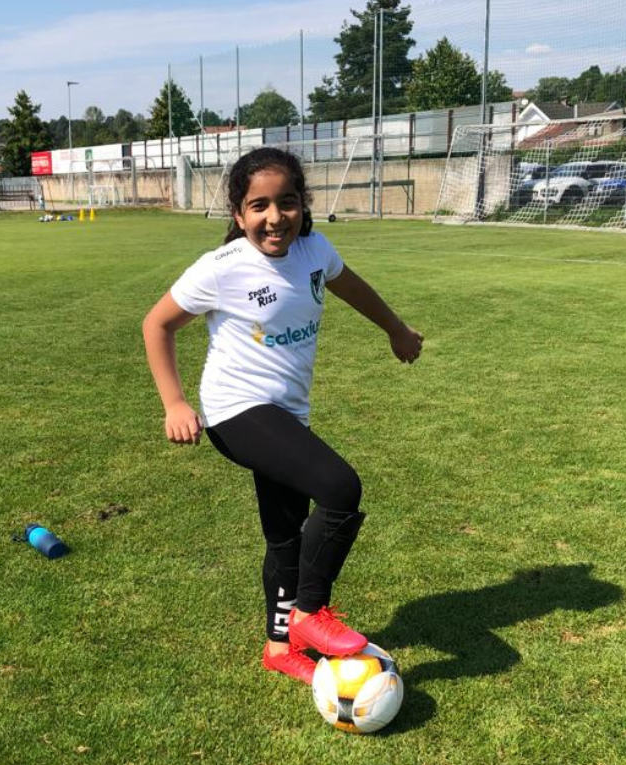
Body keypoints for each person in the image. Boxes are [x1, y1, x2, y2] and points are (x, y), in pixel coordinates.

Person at [142, 147, 423, 685]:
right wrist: (174, 403)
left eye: (287, 202)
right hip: (235, 411)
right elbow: (157, 324)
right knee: (339, 487)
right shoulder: (221, 268)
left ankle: (279, 646)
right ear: (238, 213)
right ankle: (309, 613)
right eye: (259, 206)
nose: (275, 217)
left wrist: (396, 330)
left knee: (285, 533)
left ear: (302, 205)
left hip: (287, 412)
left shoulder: (315, 250)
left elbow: (353, 288)